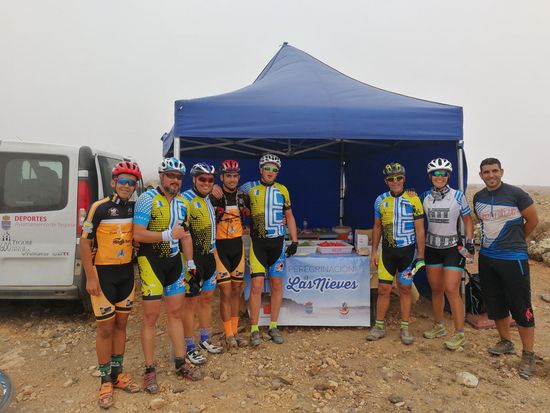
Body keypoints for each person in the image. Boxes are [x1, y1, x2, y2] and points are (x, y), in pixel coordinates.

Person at [133, 157, 202, 394]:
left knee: (175, 313)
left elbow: (185, 235)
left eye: (179, 177)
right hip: (151, 263)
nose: (175, 180)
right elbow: (138, 234)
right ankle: (149, 369)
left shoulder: (182, 203)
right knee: (151, 317)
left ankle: (181, 362)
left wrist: (191, 264)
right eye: (171, 175)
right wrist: (166, 235)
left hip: (174, 263)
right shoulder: (147, 199)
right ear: (162, 176)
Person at [80, 160, 142, 409]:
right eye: (123, 181)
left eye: (132, 183)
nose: (127, 186)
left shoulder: (135, 208)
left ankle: (117, 374)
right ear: (113, 182)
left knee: (121, 325)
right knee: (105, 328)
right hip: (103, 274)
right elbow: (85, 243)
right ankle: (105, 379)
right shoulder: (100, 207)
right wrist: (90, 277)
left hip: (126, 274)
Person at [473, 158, 539, 379]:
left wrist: (516, 242)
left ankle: (528, 354)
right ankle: (505, 342)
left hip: (514, 259)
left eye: (494, 171)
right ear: (481, 175)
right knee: (495, 302)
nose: (491, 175)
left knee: (520, 305)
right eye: (486, 172)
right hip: (487, 258)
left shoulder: (517, 194)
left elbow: (533, 220)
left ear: (501, 172)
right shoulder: (478, 197)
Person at [239, 153, 299, 347]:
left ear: (277, 172)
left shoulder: (283, 189)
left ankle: (273, 326)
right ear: (260, 169)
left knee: (276, 285)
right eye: (267, 168)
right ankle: (254, 329)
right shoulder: (249, 187)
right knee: (256, 286)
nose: (270, 172)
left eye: (274, 169)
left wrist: (294, 240)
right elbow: (231, 193)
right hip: (258, 244)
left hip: (277, 244)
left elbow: (289, 215)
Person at [367, 162, 425, 345]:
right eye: (391, 179)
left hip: (408, 253)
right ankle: (379, 326)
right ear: (386, 181)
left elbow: (420, 230)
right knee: (383, 289)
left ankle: (405, 327)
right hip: (387, 253)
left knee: (405, 289)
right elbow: (377, 227)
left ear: (404, 179)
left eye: (399, 178)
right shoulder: (380, 200)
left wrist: (421, 255)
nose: (395, 181)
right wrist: (374, 251)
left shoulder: (414, 200)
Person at [420, 158, 474, 350]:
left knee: (452, 290)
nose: (440, 177)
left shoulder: (458, 196)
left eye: (444, 173)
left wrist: (470, 243)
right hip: (432, 248)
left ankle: (459, 334)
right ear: (430, 176)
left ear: (448, 176)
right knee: (436, 290)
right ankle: (439, 326)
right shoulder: (424, 196)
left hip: (453, 248)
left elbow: (467, 220)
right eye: (436, 173)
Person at [181, 163, 224, 365]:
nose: (206, 183)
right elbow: (182, 233)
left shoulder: (208, 199)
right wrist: (189, 262)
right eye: (202, 179)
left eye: (210, 180)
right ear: (194, 179)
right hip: (193, 259)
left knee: (207, 299)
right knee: (190, 303)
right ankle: (189, 346)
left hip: (209, 257)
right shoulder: (185, 200)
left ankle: (205, 339)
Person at [210, 160, 250, 351]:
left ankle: (234, 331)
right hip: (220, 249)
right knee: (225, 292)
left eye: (235, 176)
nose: (232, 179)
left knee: (236, 291)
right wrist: (211, 188)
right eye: (228, 176)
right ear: (222, 177)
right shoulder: (214, 195)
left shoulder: (243, 196)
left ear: (238, 177)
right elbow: (196, 197)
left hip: (237, 248)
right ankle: (228, 334)